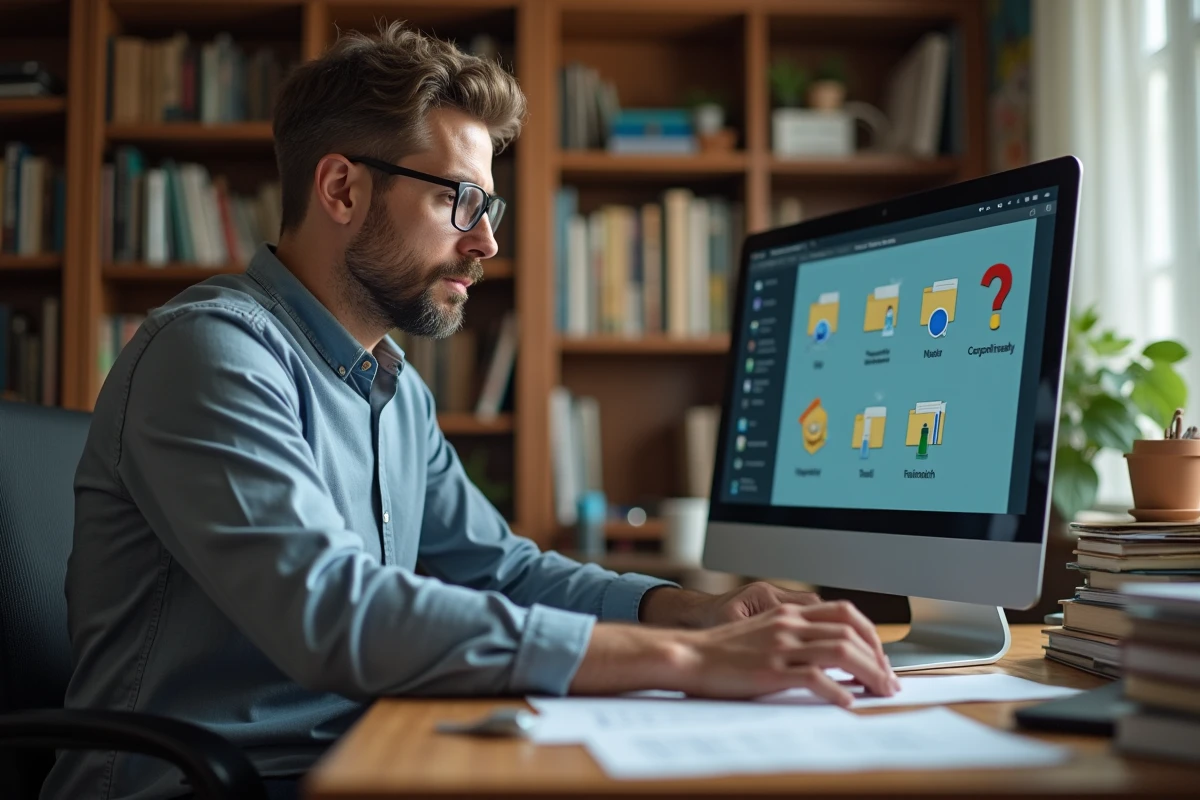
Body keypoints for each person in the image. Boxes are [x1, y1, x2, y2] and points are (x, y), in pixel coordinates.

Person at [43, 23, 899, 800]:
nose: (486, 241)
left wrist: (686, 611)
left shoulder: (393, 389)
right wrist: (688, 662)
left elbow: (502, 570)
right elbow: (335, 612)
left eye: (487, 207)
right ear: (340, 189)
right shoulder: (210, 354)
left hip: (360, 759)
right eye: (459, 199)